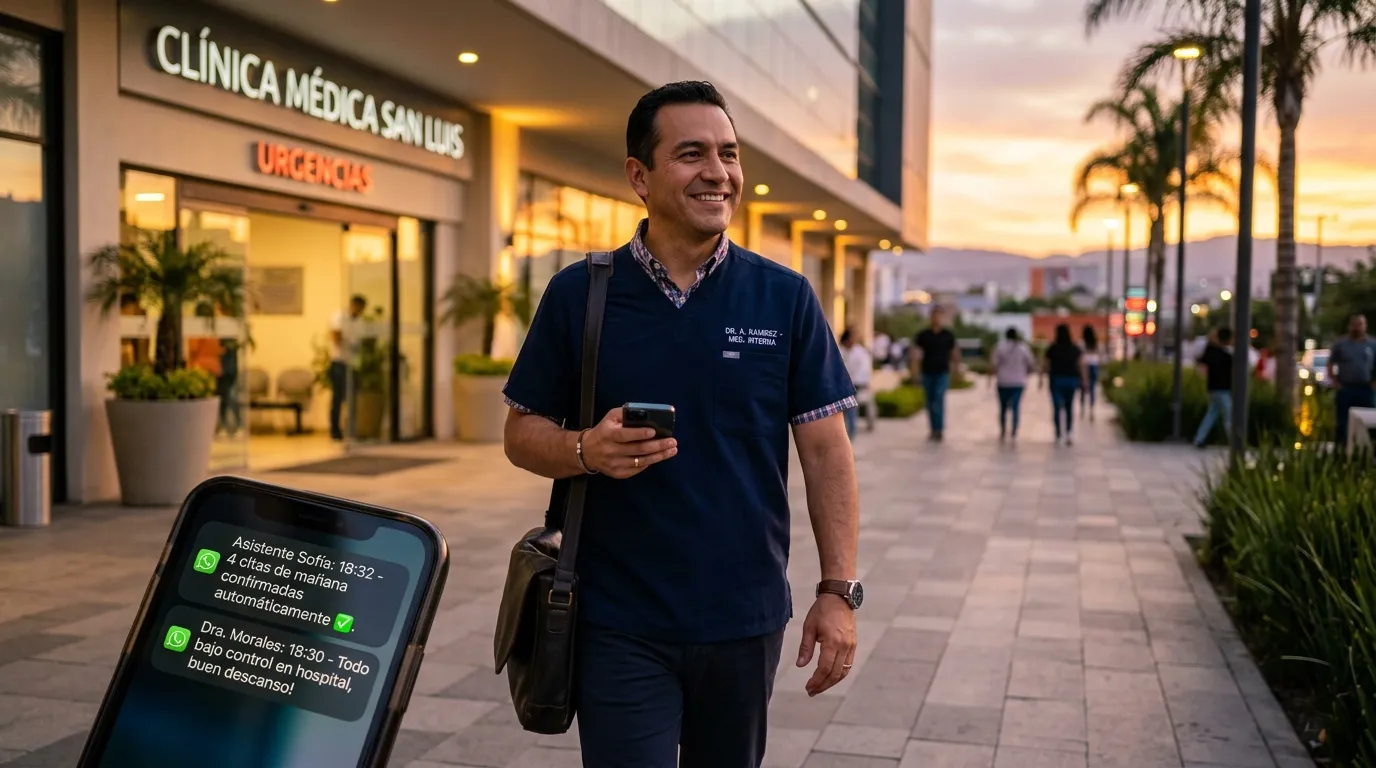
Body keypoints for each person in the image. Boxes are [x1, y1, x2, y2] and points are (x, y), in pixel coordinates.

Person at [501, 81, 862, 768]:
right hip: (617, 618)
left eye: (728, 154)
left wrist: (837, 593)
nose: (718, 173)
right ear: (639, 176)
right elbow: (522, 433)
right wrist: (585, 448)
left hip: (744, 617)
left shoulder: (783, 297)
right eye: (691, 153)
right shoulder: (582, 293)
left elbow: (825, 453)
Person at [1327, 313, 1376, 447]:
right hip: (1346, 388)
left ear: (1365, 326)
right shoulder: (1341, 344)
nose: (1357, 328)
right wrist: (1335, 381)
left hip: (1366, 389)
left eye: (1360, 324)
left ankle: (1366, 449)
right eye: (1354, 325)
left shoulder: (1372, 345)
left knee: (1367, 420)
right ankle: (1342, 449)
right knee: (1343, 422)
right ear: (1350, 326)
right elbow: (1331, 363)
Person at [911, 308, 960, 441]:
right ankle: (932, 428)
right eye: (934, 316)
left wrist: (956, 370)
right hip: (927, 372)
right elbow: (915, 355)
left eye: (939, 316)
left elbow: (954, 354)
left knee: (939, 399)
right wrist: (915, 373)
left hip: (942, 372)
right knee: (930, 402)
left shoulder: (948, 335)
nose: (936, 319)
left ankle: (939, 429)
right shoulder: (923, 335)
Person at [1042, 323, 1088, 446]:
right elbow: (1081, 365)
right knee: (1069, 407)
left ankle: (1058, 434)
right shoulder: (1075, 348)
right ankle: (1068, 432)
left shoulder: (1052, 348)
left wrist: (1041, 378)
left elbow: (1045, 365)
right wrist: (1084, 381)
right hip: (1071, 381)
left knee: (1057, 408)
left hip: (1056, 380)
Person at [328, 294, 367, 441]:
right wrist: (348, 342)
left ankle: (350, 429)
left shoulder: (359, 322)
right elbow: (336, 336)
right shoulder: (339, 317)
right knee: (338, 397)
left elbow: (360, 342)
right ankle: (335, 430)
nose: (359, 311)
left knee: (352, 397)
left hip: (353, 364)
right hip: (339, 362)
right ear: (353, 305)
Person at [992, 326, 1036, 442]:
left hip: (1003, 381)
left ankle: (1003, 429)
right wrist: (1026, 374)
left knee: (1002, 408)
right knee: (1016, 407)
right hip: (1018, 382)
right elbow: (1030, 363)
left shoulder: (1000, 347)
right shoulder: (1023, 348)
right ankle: (1014, 431)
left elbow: (994, 364)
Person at [1194, 327, 1235, 448]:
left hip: (1213, 388)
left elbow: (1202, 361)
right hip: (1223, 389)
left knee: (1212, 414)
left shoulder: (1211, 351)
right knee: (1229, 414)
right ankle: (1234, 440)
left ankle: (1199, 438)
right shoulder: (1224, 354)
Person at [840, 327, 872, 440]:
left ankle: (850, 435)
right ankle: (841, 435)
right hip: (841, 384)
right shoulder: (840, 350)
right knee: (840, 413)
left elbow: (864, 369)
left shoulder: (860, 351)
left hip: (855, 384)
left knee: (852, 411)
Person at [1080, 325, 1101, 421]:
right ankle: (1091, 410)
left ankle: (1082, 409)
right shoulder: (1095, 343)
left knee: (1083, 388)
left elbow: (1080, 357)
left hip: (1085, 365)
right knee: (1092, 389)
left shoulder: (1082, 344)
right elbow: (1098, 355)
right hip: (1094, 365)